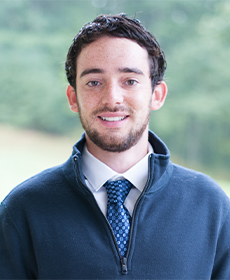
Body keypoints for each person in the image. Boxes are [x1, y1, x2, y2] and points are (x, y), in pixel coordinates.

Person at [0, 14, 229, 279]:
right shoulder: (23, 209)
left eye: (130, 81)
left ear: (157, 95)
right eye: (94, 82)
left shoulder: (211, 206)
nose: (112, 98)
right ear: (73, 97)